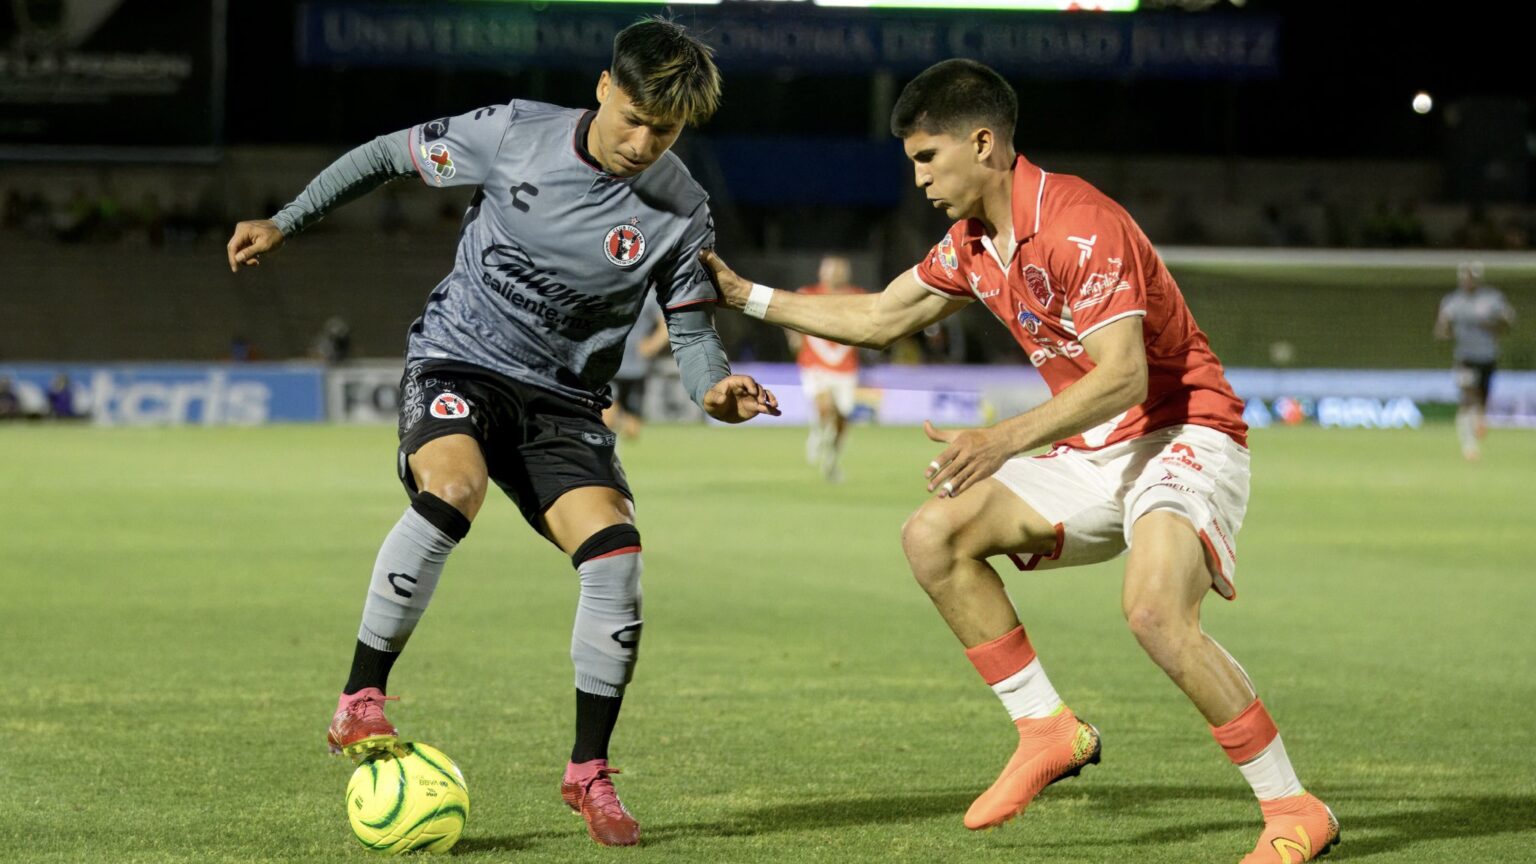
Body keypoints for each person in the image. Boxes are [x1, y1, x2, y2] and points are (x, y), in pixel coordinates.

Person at [701, 59, 1337, 863]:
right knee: (933, 536)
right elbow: (878, 315)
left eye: (929, 159)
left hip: (1182, 434)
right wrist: (745, 296)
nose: (921, 179)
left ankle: (1293, 808)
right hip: (1091, 449)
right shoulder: (972, 244)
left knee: (1153, 612)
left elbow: (1125, 375)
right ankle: (1048, 728)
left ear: (983, 142)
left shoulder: (1080, 224)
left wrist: (1001, 439)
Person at [225, 18, 779, 848]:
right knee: (453, 490)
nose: (642, 141)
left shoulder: (682, 210)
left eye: (663, 130)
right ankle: (359, 700)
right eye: (632, 117)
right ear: (603, 87)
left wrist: (716, 391)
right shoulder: (515, 133)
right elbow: (385, 155)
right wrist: (288, 218)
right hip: (461, 361)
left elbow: (694, 339)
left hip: (562, 402)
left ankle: (587, 773)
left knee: (617, 555)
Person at [787, 255, 866, 482]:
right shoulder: (807, 295)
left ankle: (831, 459)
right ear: (821, 272)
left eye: (840, 270)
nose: (835, 274)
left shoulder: (857, 297)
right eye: (831, 270)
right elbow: (788, 317)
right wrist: (793, 338)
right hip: (814, 364)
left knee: (842, 418)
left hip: (846, 368)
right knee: (824, 406)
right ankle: (817, 431)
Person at [1435, 261, 1515, 461]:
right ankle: (1469, 446)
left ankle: (1479, 418)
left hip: (1487, 356)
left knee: (1481, 400)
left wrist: (1492, 324)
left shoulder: (1492, 299)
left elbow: (1508, 322)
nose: (1468, 281)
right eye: (1465, 277)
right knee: (1468, 398)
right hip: (1465, 357)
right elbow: (1441, 328)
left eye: (1472, 277)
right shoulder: (1452, 301)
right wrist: (1446, 330)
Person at [602, 299, 668, 440]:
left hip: (636, 368)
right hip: (608, 364)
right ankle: (606, 446)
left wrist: (652, 345)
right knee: (607, 416)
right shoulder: (607, 288)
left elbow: (665, 324)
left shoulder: (649, 297)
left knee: (633, 429)